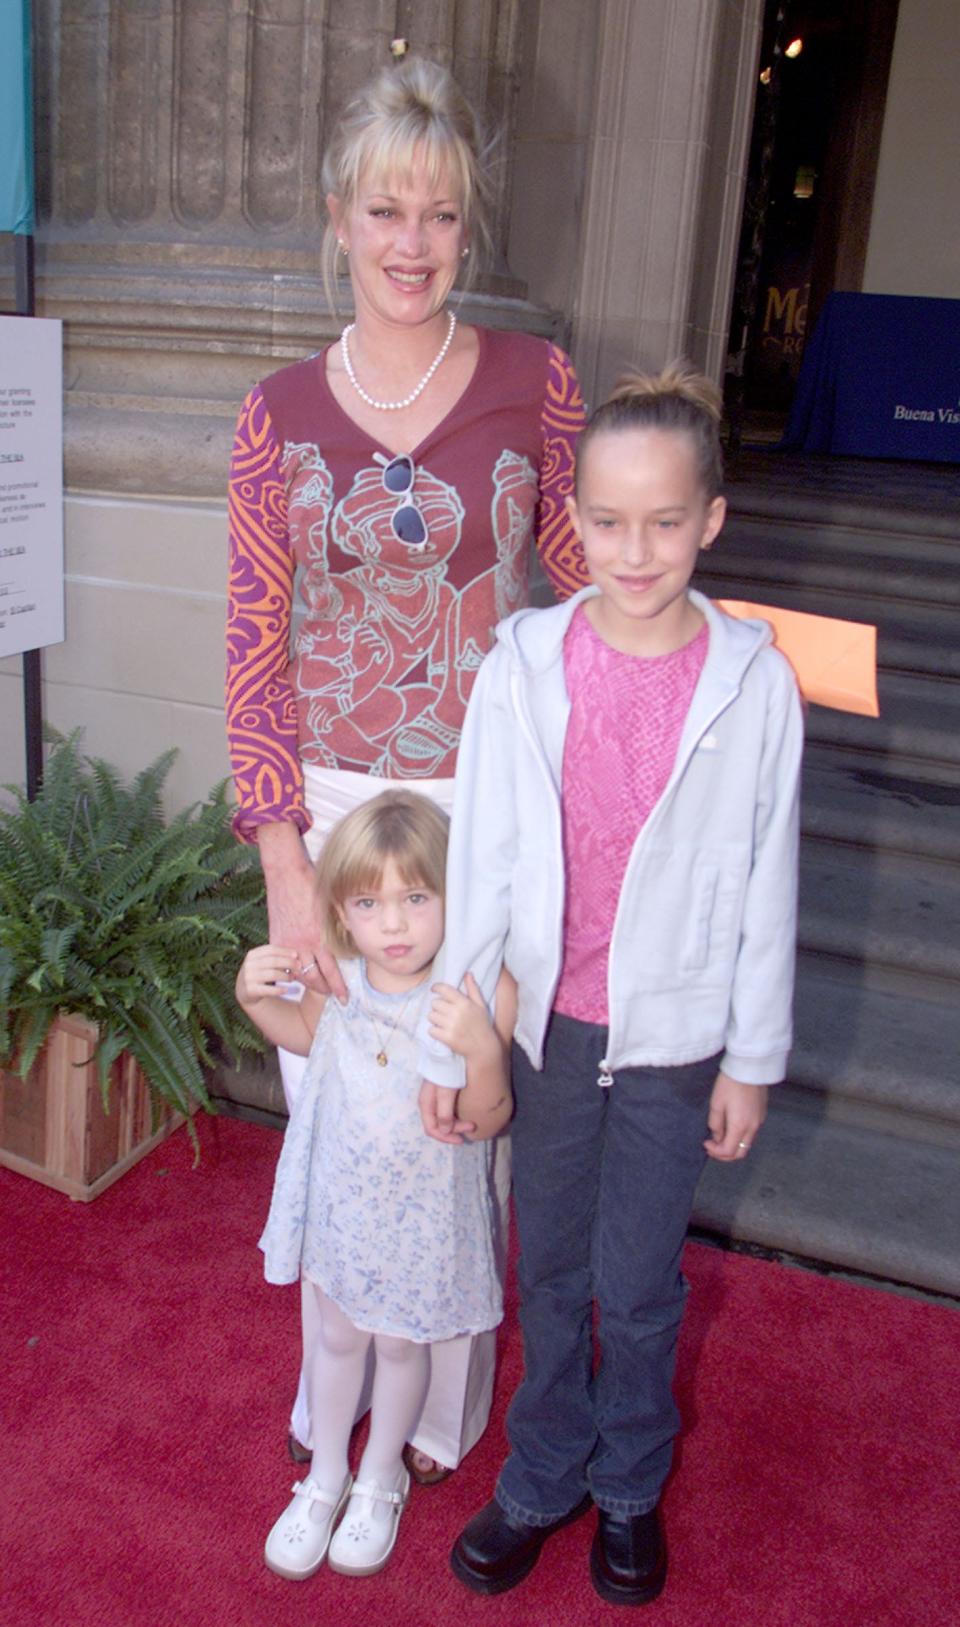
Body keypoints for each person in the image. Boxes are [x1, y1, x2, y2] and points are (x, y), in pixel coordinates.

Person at [224, 51, 585, 1481]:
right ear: (338, 215)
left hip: (477, 810)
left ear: (468, 225)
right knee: (336, 1124)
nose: (413, 244)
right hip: (330, 816)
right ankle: (332, 1411)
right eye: (386, 211)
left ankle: (432, 1418)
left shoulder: (534, 383)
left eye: (439, 214)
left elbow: (578, 601)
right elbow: (254, 644)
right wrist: (283, 873)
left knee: (454, 1118)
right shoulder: (273, 414)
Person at [418, 364, 804, 1605]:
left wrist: (753, 1056)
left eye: (666, 520)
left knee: (638, 1286)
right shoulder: (523, 661)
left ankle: (630, 1483)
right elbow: (482, 860)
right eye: (607, 520)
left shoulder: (755, 680)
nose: (634, 550)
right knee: (551, 1268)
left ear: (713, 519)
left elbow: (765, 876)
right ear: (570, 518)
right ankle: (545, 1472)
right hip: (547, 1032)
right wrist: (458, 1037)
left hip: (675, 1040)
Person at [237, 790, 515, 1581]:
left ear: (453, 896)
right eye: (369, 902)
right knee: (334, 1336)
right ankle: (325, 1475)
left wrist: (484, 1052)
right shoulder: (341, 980)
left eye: (416, 898)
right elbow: (305, 1036)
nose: (394, 924)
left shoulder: (472, 995)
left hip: (424, 1215)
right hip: (343, 1206)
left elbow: (490, 1119)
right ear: (341, 910)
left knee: (400, 1343)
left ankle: (380, 1474)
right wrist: (255, 998)